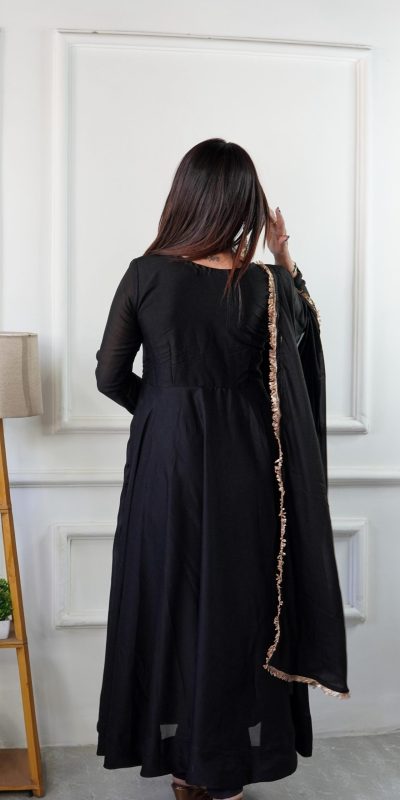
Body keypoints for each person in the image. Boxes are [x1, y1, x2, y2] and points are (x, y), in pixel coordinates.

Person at [95, 138, 350, 800]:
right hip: (248, 468)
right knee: (240, 611)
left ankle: (183, 765)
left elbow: (109, 375)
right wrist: (285, 258)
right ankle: (229, 767)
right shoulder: (264, 283)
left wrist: (164, 413)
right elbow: (301, 349)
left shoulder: (144, 274)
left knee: (170, 603)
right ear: (244, 203)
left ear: (183, 196)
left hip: (164, 467)